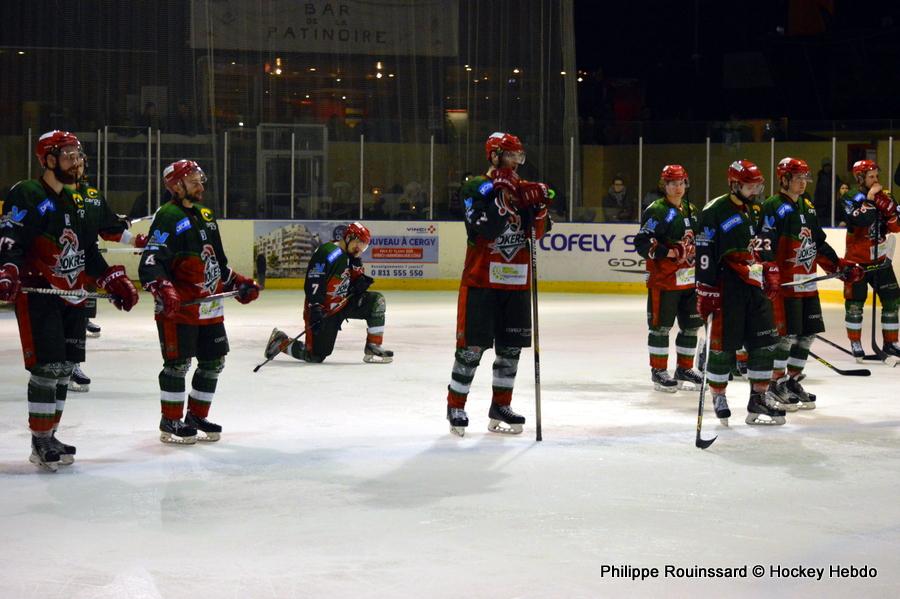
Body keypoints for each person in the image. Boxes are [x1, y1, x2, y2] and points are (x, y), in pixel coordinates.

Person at [0, 130, 139, 471]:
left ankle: (52, 433)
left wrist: (110, 278)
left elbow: (88, 249)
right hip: (40, 294)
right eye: (67, 156)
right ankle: (40, 439)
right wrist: (8, 270)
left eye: (78, 156)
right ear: (47, 159)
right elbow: (9, 236)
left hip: (74, 296)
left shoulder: (84, 198)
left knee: (64, 371)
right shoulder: (28, 194)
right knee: (47, 370)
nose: (76, 162)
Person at [139, 160, 260, 444]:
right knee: (177, 364)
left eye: (200, 179)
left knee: (213, 362)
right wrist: (164, 288)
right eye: (193, 180)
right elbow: (151, 261)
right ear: (176, 185)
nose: (200, 185)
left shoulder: (205, 214)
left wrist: (238, 281)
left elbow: (217, 263)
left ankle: (195, 415)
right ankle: (170, 419)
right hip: (180, 308)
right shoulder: (168, 215)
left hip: (209, 307)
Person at [442, 131, 552, 437]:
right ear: (493, 156)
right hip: (481, 281)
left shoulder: (523, 188)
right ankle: (456, 404)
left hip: (516, 283)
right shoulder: (476, 186)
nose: (516, 161)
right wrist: (501, 199)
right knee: (471, 349)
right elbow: (484, 229)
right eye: (510, 155)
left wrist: (540, 207)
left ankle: (500, 405)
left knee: (510, 349)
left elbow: (539, 233)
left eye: (519, 155)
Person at [759, 158, 863, 410]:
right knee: (786, 337)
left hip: (807, 283)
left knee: (807, 334)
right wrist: (768, 272)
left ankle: (792, 380)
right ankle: (775, 383)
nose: (803, 183)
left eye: (805, 178)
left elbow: (818, 244)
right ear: (783, 179)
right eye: (798, 178)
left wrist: (840, 266)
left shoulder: (807, 206)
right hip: (785, 286)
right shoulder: (773, 207)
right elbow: (764, 246)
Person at [695, 159, 786, 426]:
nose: (756, 189)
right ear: (734, 184)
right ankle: (719, 395)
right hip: (727, 287)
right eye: (750, 184)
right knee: (723, 347)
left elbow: (764, 243)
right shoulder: (715, 210)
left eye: (758, 184)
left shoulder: (757, 208)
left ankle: (758, 398)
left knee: (764, 342)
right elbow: (704, 253)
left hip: (754, 287)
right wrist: (706, 289)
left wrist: (770, 268)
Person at [65, 155, 149, 392]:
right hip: (53, 268)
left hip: (82, 266)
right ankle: (50, 368)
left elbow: (108, 229)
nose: (75, 168)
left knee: (75, 316)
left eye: (80, 165)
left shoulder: (92, 197)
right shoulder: (49, 196)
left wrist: (135, 239)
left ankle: (72, 365)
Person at [264, 222, 393, 364]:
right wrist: (315, 307)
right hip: (324, 310)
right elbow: (315, 279)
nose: (360, 248)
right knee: (315, 356)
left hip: (343, 303)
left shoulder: (352, 256)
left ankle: (373, 346)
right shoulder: (329, 253)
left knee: (376, 301)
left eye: (364, 245)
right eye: (359, 242)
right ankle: (280, 341)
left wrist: (359, 283)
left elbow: (352, 278)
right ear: (349, 237)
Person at [633, 165, 703, 392]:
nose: (678, 187)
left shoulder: (691, 209)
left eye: (681, 182)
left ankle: (684, 368)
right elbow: (642, 243)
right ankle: (659, 371)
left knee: (691, 327)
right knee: (660, 329)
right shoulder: (657, 210)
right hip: (664, 281)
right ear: (664, 185)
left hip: (689, 281)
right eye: (673, 183)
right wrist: (671, 252)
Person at [840, 159, 900, 359]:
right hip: (857, 262)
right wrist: (872, 199)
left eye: (877, 175)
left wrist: (891, 213)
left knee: (892, 300)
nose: (876, 179)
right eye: (871, 176)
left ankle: (891, 343)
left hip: (881, 261)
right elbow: (860, 219)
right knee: (855, 304)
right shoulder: (849, 196)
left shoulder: (887, 195)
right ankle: (855, 343)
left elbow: (897, 227)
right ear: (860, 178)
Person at [813, 158, 842, 227]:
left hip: (831, 205)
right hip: (821, 205)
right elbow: (818, 191)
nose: (827, 168)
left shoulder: (834, 176)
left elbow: (838, 189)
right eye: (826, 166)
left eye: (829, 166)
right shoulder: (820, 176)